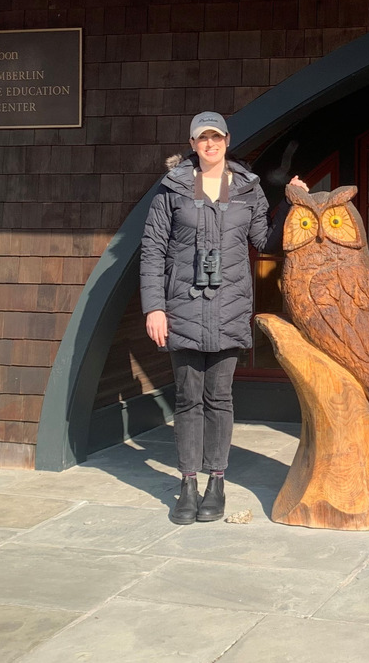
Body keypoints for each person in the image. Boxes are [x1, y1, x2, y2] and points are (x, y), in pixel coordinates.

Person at [140, 111, 297, 525]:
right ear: (192, 144)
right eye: (201, 139)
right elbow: (153, 249)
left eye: (216, 137)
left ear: (227, 140)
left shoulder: (248, 189)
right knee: (188, 398)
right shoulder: (171, 189)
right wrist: (154, 307)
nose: (209, 145)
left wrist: (290, 204)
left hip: (228, 306)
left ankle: (216, 483)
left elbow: (265, 240)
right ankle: (187, 484)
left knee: (220, 398)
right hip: (183, 307)